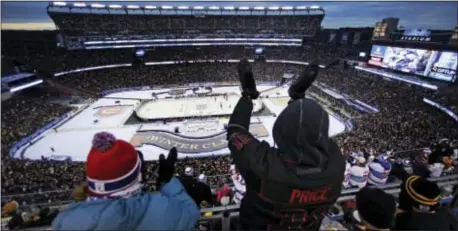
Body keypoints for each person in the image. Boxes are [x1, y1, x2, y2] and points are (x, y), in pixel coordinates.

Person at [226, 59, 345, 230]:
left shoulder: (263, 167)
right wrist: (298, 99)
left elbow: (235, 131)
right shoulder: (336, 165)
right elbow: (310, 132)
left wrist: (247, 96)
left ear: (280, 131)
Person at [52, 132, 200, 230]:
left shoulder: (64, 222)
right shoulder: (163, 210)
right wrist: (167, 183)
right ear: (136, 176)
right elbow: (190, 212)